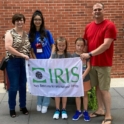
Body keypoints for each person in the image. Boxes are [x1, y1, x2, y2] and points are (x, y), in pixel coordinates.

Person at [80, 3, 117, 124]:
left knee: (104, 89)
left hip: (104, 63)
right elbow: (86, 43)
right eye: (95, 9)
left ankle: (108, 115)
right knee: (96, 88)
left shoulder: (109, 26)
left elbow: (106, 45)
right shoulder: (88, 26)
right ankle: (100, 109)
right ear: (92, 12)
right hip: (92, 63)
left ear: (103, 11)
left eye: (99, 9)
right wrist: (83, 56)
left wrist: (89, 54)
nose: (97, 11)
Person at [29, 10, 55, 114]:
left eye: (39, 19)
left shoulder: (47, 32)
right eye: (35, 19)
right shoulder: (30, 34)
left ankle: (45, 103)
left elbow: (53, 45)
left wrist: (51, 57)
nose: (37, 21)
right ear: (33, 21)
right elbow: (31, 50)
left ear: (42, 20)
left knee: (48, 84)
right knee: (40, 83)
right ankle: (39, 102)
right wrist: (35, 60)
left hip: (48, 62)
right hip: (38, 63)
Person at [5, 13, 31, 118]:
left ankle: (23, 106)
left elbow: (29, 48)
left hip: (24, 62)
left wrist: (30, 57)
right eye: (17, 20)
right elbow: (8, 47)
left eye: (21, 20)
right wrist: (22, 55)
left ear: (24, 21)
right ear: (14, 21)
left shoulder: (26, 34)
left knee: (22, 85)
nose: (19, 22)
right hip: (13, 62)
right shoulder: (10, 33)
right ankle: (12, 108)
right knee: (14, 86)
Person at [51, 36, 71, 120]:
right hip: (56, 78)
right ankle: (57, 109)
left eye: (63, 45)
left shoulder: (68, 55)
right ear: (56, 45)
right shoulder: (54, 55)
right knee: (57, 94)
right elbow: (51, 65)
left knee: (64, 94)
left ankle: (63, 109)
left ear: (65, 45)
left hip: (65, 78)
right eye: (59, 45)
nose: (61, 47)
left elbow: (71, 65)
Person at [72, 38, 91, 121]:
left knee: (85, 95)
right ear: (75, 45)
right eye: (78, 45)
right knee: (77, 95)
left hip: (85, 78)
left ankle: (85, 111)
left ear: (84, 46)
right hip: (76, 79)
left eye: (81, 46)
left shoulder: (86, 55)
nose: (80, 47)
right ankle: (78, 111)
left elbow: (89, 67)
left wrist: (83, 75)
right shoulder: (72, 56)